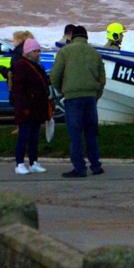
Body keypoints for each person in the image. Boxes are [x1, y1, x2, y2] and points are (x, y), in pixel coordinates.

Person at [49, 25, 105, 178]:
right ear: (86, 37)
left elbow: (54, 76)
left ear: (72, 37)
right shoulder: (95, 53)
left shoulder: (65, 52)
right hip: (90, 98)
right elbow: (102, 79)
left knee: (75, 134)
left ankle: (79, 168)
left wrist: (62, 90)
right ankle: (96, 166)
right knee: (91, 133)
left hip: (72, 98)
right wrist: (95, 95)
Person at [10, 38, 50, 175]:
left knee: (34, 137)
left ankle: (33, 162)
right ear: (28, 52)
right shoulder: (21, 66)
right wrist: (23, 108)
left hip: (37, 108)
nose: (38, 53)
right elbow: (18, 90)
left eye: (39, 51)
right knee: (24, 136)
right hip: (26, 109)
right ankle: (19, 163)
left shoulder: (36, 65)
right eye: (35, 51)